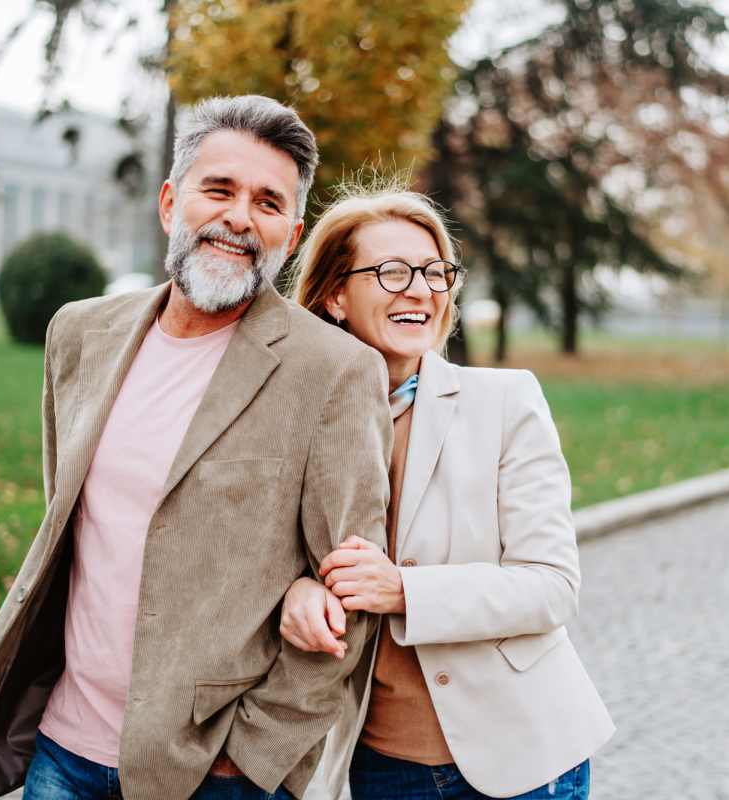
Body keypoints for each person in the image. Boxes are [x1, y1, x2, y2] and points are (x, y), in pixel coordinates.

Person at [0, 96, 392, 800]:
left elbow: (353, 594)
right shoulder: (79, 333)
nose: (238, 217)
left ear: (290, 233)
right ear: (171, 202)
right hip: (63, 752)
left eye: (267, 202)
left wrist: (253, 759)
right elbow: (68, 527)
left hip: (210, 773)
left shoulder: (334, 372)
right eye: (219, 189)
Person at [283, 187, 615, 800]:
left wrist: (402, 591)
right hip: (376, 765)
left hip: (522, 760)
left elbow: (551, 585)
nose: (420, 289)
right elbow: (270, 556)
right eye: (392, 271)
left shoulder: (506, 401)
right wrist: (298, 590)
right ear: (334, 296)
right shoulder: (293, 422)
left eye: (436, 272)